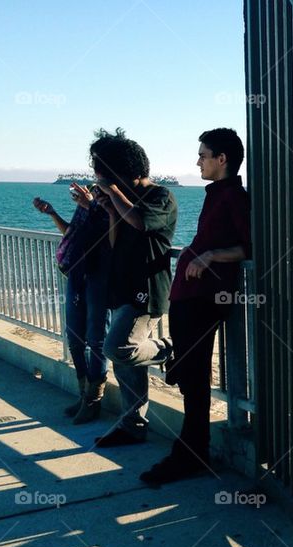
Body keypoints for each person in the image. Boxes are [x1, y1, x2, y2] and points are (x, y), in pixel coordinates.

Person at [140, 128, 250, 485]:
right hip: (190, 298)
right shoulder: (215, 194)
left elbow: (250, 247)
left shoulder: (234, 196)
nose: (198, 161)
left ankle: (191, 454)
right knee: (190, 376)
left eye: (203, 155)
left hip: (205, 300)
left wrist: (211, 255)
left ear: (222, 160)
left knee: (195, 377)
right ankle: (190, 450)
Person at [89, 128, 177, 447]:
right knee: (125, 366)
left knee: (118, 349)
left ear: (130, 173)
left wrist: (112, 192)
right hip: (122, 286)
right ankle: (132, 425)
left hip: (147, 290)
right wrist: (111, 209)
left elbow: (140, 222)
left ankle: (171, 348)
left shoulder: (160, 196)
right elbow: (114, 240)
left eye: (110, 177)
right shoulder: (122, 199)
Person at [33, 183, 111, 423]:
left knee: (96, 340)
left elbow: (111, 235)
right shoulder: (86, 209)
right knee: (75, 339)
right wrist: (53, 213)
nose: (93, 191)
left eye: (98, 189)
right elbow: (71, 233)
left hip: (99, 277)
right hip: (77, 276)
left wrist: (94, 205)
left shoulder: (110, 207)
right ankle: (84, 395)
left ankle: (93, 402)